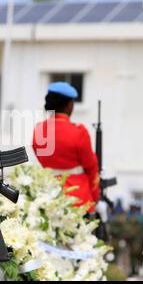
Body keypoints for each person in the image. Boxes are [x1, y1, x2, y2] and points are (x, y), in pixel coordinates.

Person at [32, 82, 100, 213]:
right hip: (77, 199)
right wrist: (96, 197)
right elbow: (91, 167)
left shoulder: (39, 130)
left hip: (48, 195)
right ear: (69, 106)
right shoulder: (79, 132)